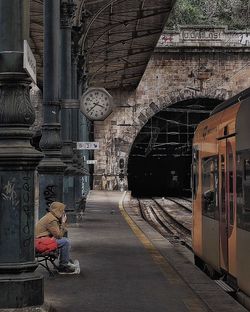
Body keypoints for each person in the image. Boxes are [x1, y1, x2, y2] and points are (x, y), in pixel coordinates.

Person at [35, 201, 76, 273]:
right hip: (41, 243)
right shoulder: (52, 220)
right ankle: (63, 265)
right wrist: (63, 222)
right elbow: (59, 236)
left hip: (42, 240)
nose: (63, 212)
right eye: (62, 210)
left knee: (64, 240)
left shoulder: (50, 216)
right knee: (65, 242)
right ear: (58, 211)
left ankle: (65, 260)